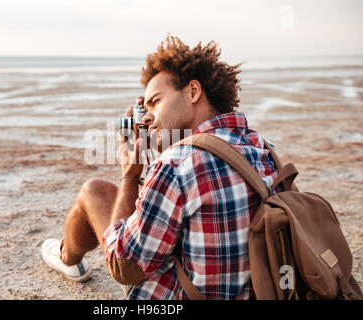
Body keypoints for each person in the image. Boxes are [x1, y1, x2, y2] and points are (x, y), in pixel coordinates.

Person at [41, 35, 279, 299]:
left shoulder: (176, 164)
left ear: (193, 91)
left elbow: (125, 265)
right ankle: (67, 255)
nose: (149, 116)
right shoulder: (261, 147)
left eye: (155, 101)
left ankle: (67, 257)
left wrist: (130, 173)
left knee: (93, 191)